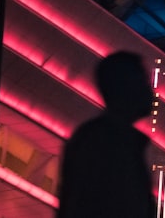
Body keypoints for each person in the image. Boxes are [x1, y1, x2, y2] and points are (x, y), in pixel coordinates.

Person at [56, 51, 156, 218]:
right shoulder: (108, 143)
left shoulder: (95, 138)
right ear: (126, 88)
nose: (150, 90)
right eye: (143, 81)